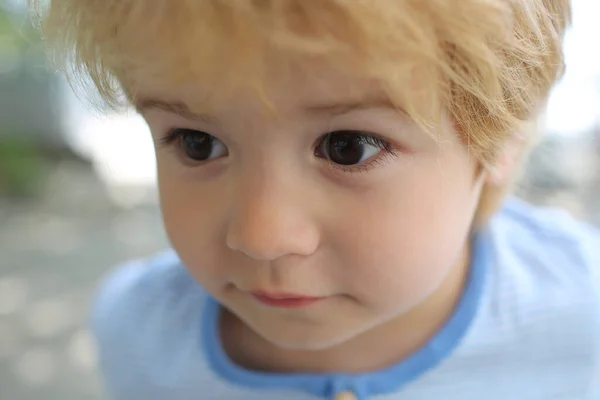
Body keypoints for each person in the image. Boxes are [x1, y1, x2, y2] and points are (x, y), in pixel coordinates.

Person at [33, 1, 599, 399]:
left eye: (347, 148)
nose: (260, 235)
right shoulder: (136, 338)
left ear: (499, 139)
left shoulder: (582, 311)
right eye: (198, 143)